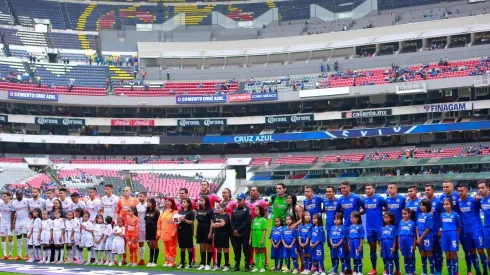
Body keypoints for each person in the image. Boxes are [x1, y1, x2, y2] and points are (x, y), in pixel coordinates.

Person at [457, 184, 487, 275]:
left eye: (462, 190)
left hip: (477, 229)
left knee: (480, 250)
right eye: (458, 191)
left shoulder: (474, 200)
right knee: (472, 251)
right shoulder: (459, 202)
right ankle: (478, 272)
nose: (460, 192)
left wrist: (479, 199)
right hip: (466, 231)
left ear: (467, 191)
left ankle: (485, 271)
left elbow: (484, 207)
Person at [337, 181, 363, 274]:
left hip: (355, 227)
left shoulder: (356, 198)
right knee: (346, 248)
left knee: (356, 248)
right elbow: (338, 211)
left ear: (349, 188)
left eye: (344, 187)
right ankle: (348, 268)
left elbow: (364, 208)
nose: (343, 189)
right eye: (341, 188)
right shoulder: (340, 200)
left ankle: (358, 269)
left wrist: (357, 217)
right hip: (346, 227)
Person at [362, 183, 386, 275]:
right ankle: (374, 269)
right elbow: (364, 210)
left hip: (379, 227)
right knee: (372, 249)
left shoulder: (380, 198)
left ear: (374, 189)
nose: (367, 190)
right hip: (369, 228)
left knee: (382, 248)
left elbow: (386, 208)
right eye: (366, 188)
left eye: (369, 188)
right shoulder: (364, 200)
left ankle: (385, 268)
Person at [440, 181, 461, 275]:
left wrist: (457, 235)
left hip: (453, 234)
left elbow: (459, 226)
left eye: (447, 204)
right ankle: (450, 272)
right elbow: (441, 224)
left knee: (453, 253)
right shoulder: (442, 215)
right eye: (444, 204)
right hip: (445, 235)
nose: (445, 206)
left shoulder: (455, 215)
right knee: (447, 254)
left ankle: (456, 272)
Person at [386, 183, 405, 275]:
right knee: (391, 248)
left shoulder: (402, 199)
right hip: (390, 228)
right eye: (388, 188)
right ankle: (390, 268)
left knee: (397, 248)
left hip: (400, 227)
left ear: (396, 189)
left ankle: (398, 269)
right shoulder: (387, 200)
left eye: (391, 188)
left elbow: (406, 212)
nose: (389, 190)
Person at [116, 186, 138, 265]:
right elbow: (117, 211)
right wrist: (116, 221)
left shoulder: (135, 200)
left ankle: (135, 260)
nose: (125, 192)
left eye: (127, 190)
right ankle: (124, 259)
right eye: (124, 190)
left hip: (132, 226)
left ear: (130, 191)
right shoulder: (120, 200)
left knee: (133, 244)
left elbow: (137, 212)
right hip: (122, 225)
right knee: (123, 243)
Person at [425, 184, 444, 274]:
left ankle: (438, 270)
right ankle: (432, 270)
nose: (426, 191)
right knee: (430, 252)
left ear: (433, 191)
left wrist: (441, 229)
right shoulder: (424, 202)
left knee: (438, 252)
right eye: (425, 190)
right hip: (428, 232)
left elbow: (443, 216)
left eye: (428, 190)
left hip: (437, 231)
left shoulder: (439, 202)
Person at [231, 193, 251, 271]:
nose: (238, 201)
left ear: (244, 200)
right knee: (237, 249)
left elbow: (247, 222)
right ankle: (237, 265)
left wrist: (238, 230)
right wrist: (234, 230)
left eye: (240, 200)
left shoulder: (247, 210)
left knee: (245, 249)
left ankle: (247, 265)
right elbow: (232, 221)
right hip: (235, 233)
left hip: (244, 232)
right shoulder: (234, 210)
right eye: (238, 199)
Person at [157, 197, 178, 267]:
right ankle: (167, 261)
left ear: (172, 202)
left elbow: (176, 224)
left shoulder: (175, 212)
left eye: (169, 201)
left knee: (172, 248)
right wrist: (159, 231)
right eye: (166, 201)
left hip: (171, 233)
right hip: (164, 233)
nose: (167, 202)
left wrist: (174, 232)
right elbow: (159, 222)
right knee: (166, 248)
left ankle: (172, 262)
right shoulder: (163, 211)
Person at [195, 195, 214, 270]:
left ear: (206, 201)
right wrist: (196, 232)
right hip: (200, 230)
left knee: (208, 247)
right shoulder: (199, 210)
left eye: (203, 200)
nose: (201, 202)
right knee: (202, 247)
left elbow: (212, 222)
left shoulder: (210, 210)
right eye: (200, 200)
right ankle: (202, 263)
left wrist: (210, 232)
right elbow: (197, 222)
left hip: (207, 229)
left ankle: (208, 264)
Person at [323, 186, 339, 273]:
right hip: (328, 228)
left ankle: (338, 268)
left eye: (329, 191)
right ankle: (334, 268)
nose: (328, 193)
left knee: (337, 248)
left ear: (334, 192)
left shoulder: (338, 202)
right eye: (327, 191)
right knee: (331, 248)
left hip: (336, 229)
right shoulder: (325, 201)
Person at [212, 203, 231, 271]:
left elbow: (223, 224)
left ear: (223, 208)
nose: (218, 209)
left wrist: (217, 224)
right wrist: (218, 224)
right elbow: (212, 225)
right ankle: (218, 265)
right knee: (219, 249)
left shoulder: (226, 216)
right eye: (217, 208)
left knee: (225, 249)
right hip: (217, 234)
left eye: (219, 208)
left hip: (224, 234)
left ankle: (226, 265)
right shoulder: (216, 216)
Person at [417, 198, 434, 275]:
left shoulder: (428, 216)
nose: (421, 207)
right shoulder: (419, 215)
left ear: (427, 206)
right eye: (420, 205)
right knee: (422, 253)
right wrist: (418, 237)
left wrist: (421, 238)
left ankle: (432, 272)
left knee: (429, 253)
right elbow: (417, 227)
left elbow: (428, 228)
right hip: (420, 237)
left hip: (427, 237)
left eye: (423, 205)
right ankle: (424, 272)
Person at [12, 189, 29, 260]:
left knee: (25, 239)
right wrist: (13, 223)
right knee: (18, 239)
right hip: (18, 223)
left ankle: (27, 254)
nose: (18, 196)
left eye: (19, 195)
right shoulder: (13, 203)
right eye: (17, 195)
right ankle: (19, 255)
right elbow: (13, 213)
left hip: (25, 222)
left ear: (22, 195)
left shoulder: (27, 201)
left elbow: (31, 210)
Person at [177, 198, 194, 269]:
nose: (183, 203)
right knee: (182, 248)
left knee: (189, 248)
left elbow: (192, 222)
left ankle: (190, 263)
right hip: (181, 231)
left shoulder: (191, 212)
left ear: (188, 203)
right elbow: (177, 221)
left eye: (184, 202)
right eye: (182, 202)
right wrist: (176, 219)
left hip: (188, 231)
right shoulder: (180, 212)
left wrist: (184, 220)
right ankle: (182, 262)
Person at [398, 208, 416, 275]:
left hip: (410, 240)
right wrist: (399, 244)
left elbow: (414, 235)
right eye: (403, 214)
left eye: (405, 214)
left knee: (410, 256)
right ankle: (406, 272)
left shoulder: (412, 223)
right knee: (405, 256)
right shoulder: (401, 223)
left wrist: (414, 244)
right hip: (402, 240)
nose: (404, 215)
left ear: (409, 214)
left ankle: (411, 271)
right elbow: (399, 234)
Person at [250, 205, 267, 273]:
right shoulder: (254, 219)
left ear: (261, 211)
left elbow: (264, 230)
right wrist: (250, 239)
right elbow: (251, 229)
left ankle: (262, 267)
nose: (255, 211)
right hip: (254, 236)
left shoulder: (263, 219)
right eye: (255, 210)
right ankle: (256, 267)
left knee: (261, 251)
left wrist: (262, 239)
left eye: (257, 210)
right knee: (256, 251)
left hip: (260, 236)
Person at [146, 197, 160, 267]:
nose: (148, 203)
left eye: (150, 202)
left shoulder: (156, 211)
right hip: (148, 229)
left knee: (155, 245)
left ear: (153, 203)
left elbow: (158, 222)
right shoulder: (147, 211)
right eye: (147, 202)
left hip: (154, 229)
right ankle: (150, 260)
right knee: (150, 245)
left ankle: (155, 261)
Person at [478, 180, 490, 270]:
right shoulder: (480, 200)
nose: (480, 190)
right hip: (486, 228)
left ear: (488, 188)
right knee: (489, 252)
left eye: (482, 188)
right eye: (479, 188)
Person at [0, 192, 13, 259]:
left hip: (10, 223)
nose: (3, 197)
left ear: (8, 197)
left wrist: (13, 223)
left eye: (5, 196)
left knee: (10, 238)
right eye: (3, 196)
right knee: (3, 238)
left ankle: (10, 254)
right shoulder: (1, 204)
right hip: (2, 223)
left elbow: (14, 214)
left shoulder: (12, 204)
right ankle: (5, 255)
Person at [136, 192, 147, 266]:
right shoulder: (137, 206)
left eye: (141, 196)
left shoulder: (147, 205)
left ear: (145, 197)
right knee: (140, 243)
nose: (140, 197)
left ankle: (151, 260)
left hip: (147, 227)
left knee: (150, 243)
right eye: (139, 196)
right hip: (139, 227)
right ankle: (142, 259)